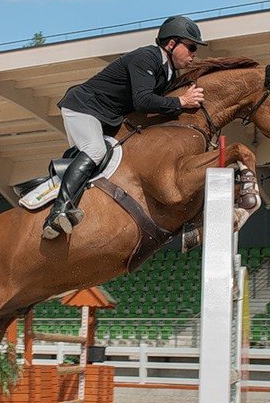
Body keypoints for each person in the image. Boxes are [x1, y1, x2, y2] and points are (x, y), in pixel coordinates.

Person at [43, 15, 208, 239]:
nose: (193, 53)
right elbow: (142, 100)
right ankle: (57, 211)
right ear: (171, 44)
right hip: (84, 108)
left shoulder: (167, 74)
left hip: (106, 118)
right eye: (190, 47)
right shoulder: (146, 58)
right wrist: (181, 101)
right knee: (95, 151)